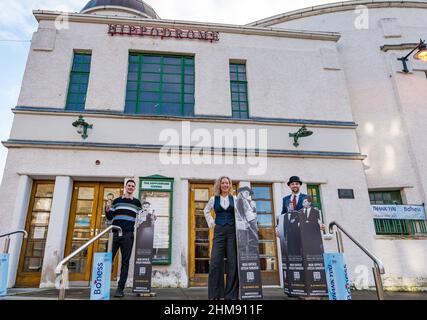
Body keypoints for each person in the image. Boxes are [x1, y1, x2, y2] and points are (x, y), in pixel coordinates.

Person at [203, 176, 238, 300]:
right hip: (219, 232)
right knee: (215, 262)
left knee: (232, 262)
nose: (225, 185)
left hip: (232, 232)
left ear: (230, 185)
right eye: (223, 183)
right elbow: (206, 211)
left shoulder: (235, 198)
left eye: (227, 183)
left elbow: (241, 213)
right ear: (219, 185)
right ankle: (215, 295)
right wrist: (211, 222)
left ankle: (231, 295)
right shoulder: (214, 199)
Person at [106, 179, 141, 298]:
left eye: (132, 186)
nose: (130, 187)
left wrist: (152, 217)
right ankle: (103, 286)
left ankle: (120, 289)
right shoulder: (117, 201)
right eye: (129, 185)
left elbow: (143, 216)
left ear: (134, 188)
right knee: (107, 260)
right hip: (115, 234)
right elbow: (110, 217)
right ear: (125, 187)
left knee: (125, 263)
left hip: (127, 235)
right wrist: (108, 207)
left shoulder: (137, 203)